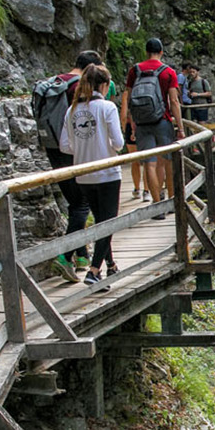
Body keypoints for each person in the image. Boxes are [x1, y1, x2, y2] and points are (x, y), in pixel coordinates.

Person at [59, 64, 125, 290]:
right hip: (107, 173)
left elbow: (65, 145)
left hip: (83, 174)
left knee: (101, 222)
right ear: (104, 85)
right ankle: (95, 271)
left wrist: (83, 148)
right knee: (108, 224)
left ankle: (112, 265)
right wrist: (102, 145)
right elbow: (119, 143)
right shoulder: (107, 108)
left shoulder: (72, 110)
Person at [40, 49, 99, 281]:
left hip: (53, 148)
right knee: (82, 203)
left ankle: (82, 255)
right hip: (73, 151)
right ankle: (65, 257)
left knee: (74, 201)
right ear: (90, 69)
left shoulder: (57, 82)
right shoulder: (79, 87)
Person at [120, 37, 184, 210]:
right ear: (161, 52)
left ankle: (157, 205)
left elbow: (131, 99)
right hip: (162, 121)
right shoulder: (168, 72)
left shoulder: (135, 71)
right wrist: (180, 128)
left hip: (142, 123)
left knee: (150, 163)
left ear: (146, 52)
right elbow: (174, 101)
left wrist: (132, 124)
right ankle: (172, 202)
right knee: (169, 160)